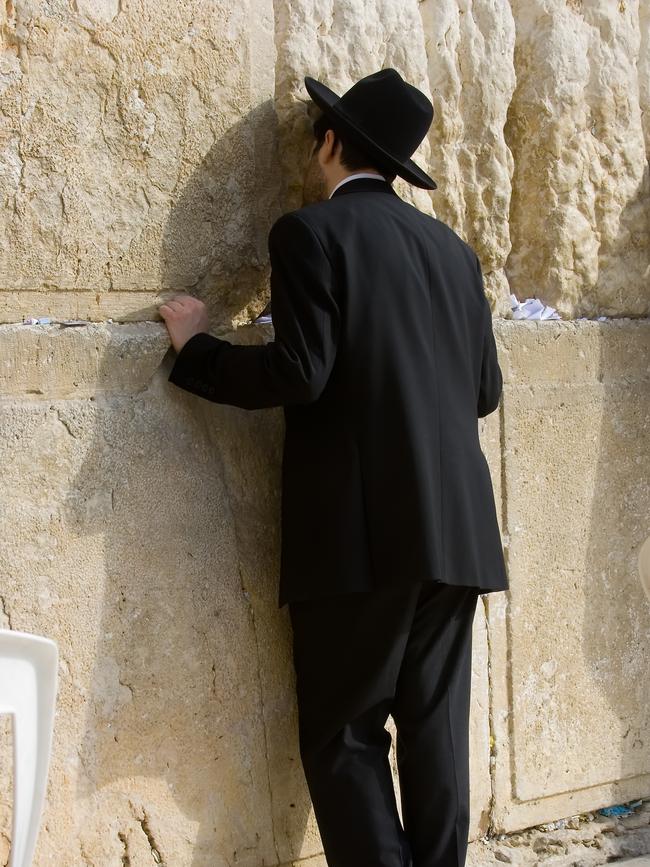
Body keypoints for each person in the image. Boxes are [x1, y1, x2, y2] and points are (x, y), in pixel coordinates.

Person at [159, 68, 509, 867]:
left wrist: (199, 350)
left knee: (344, 731)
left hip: (360, 536)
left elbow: (300, 372)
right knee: (435, 730)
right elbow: (483, 391)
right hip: (456, 534)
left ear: (329, 142)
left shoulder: (309, 235)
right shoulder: (455, 254)